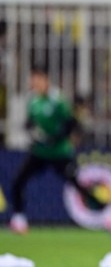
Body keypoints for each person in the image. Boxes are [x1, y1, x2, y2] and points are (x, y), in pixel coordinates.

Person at [9, 63, 98, 234]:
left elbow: (71, 123)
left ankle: (107, 213)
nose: (34, 83)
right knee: (18, 181)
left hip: (59, 152)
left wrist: (55, 138)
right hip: (40, 152)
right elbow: (30, 123)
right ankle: (19, 218)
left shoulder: (58, 99)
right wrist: (32, 132)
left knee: (77, 183)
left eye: (37, 79)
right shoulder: (33, 100)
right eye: (32, 79)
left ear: (45, 79)